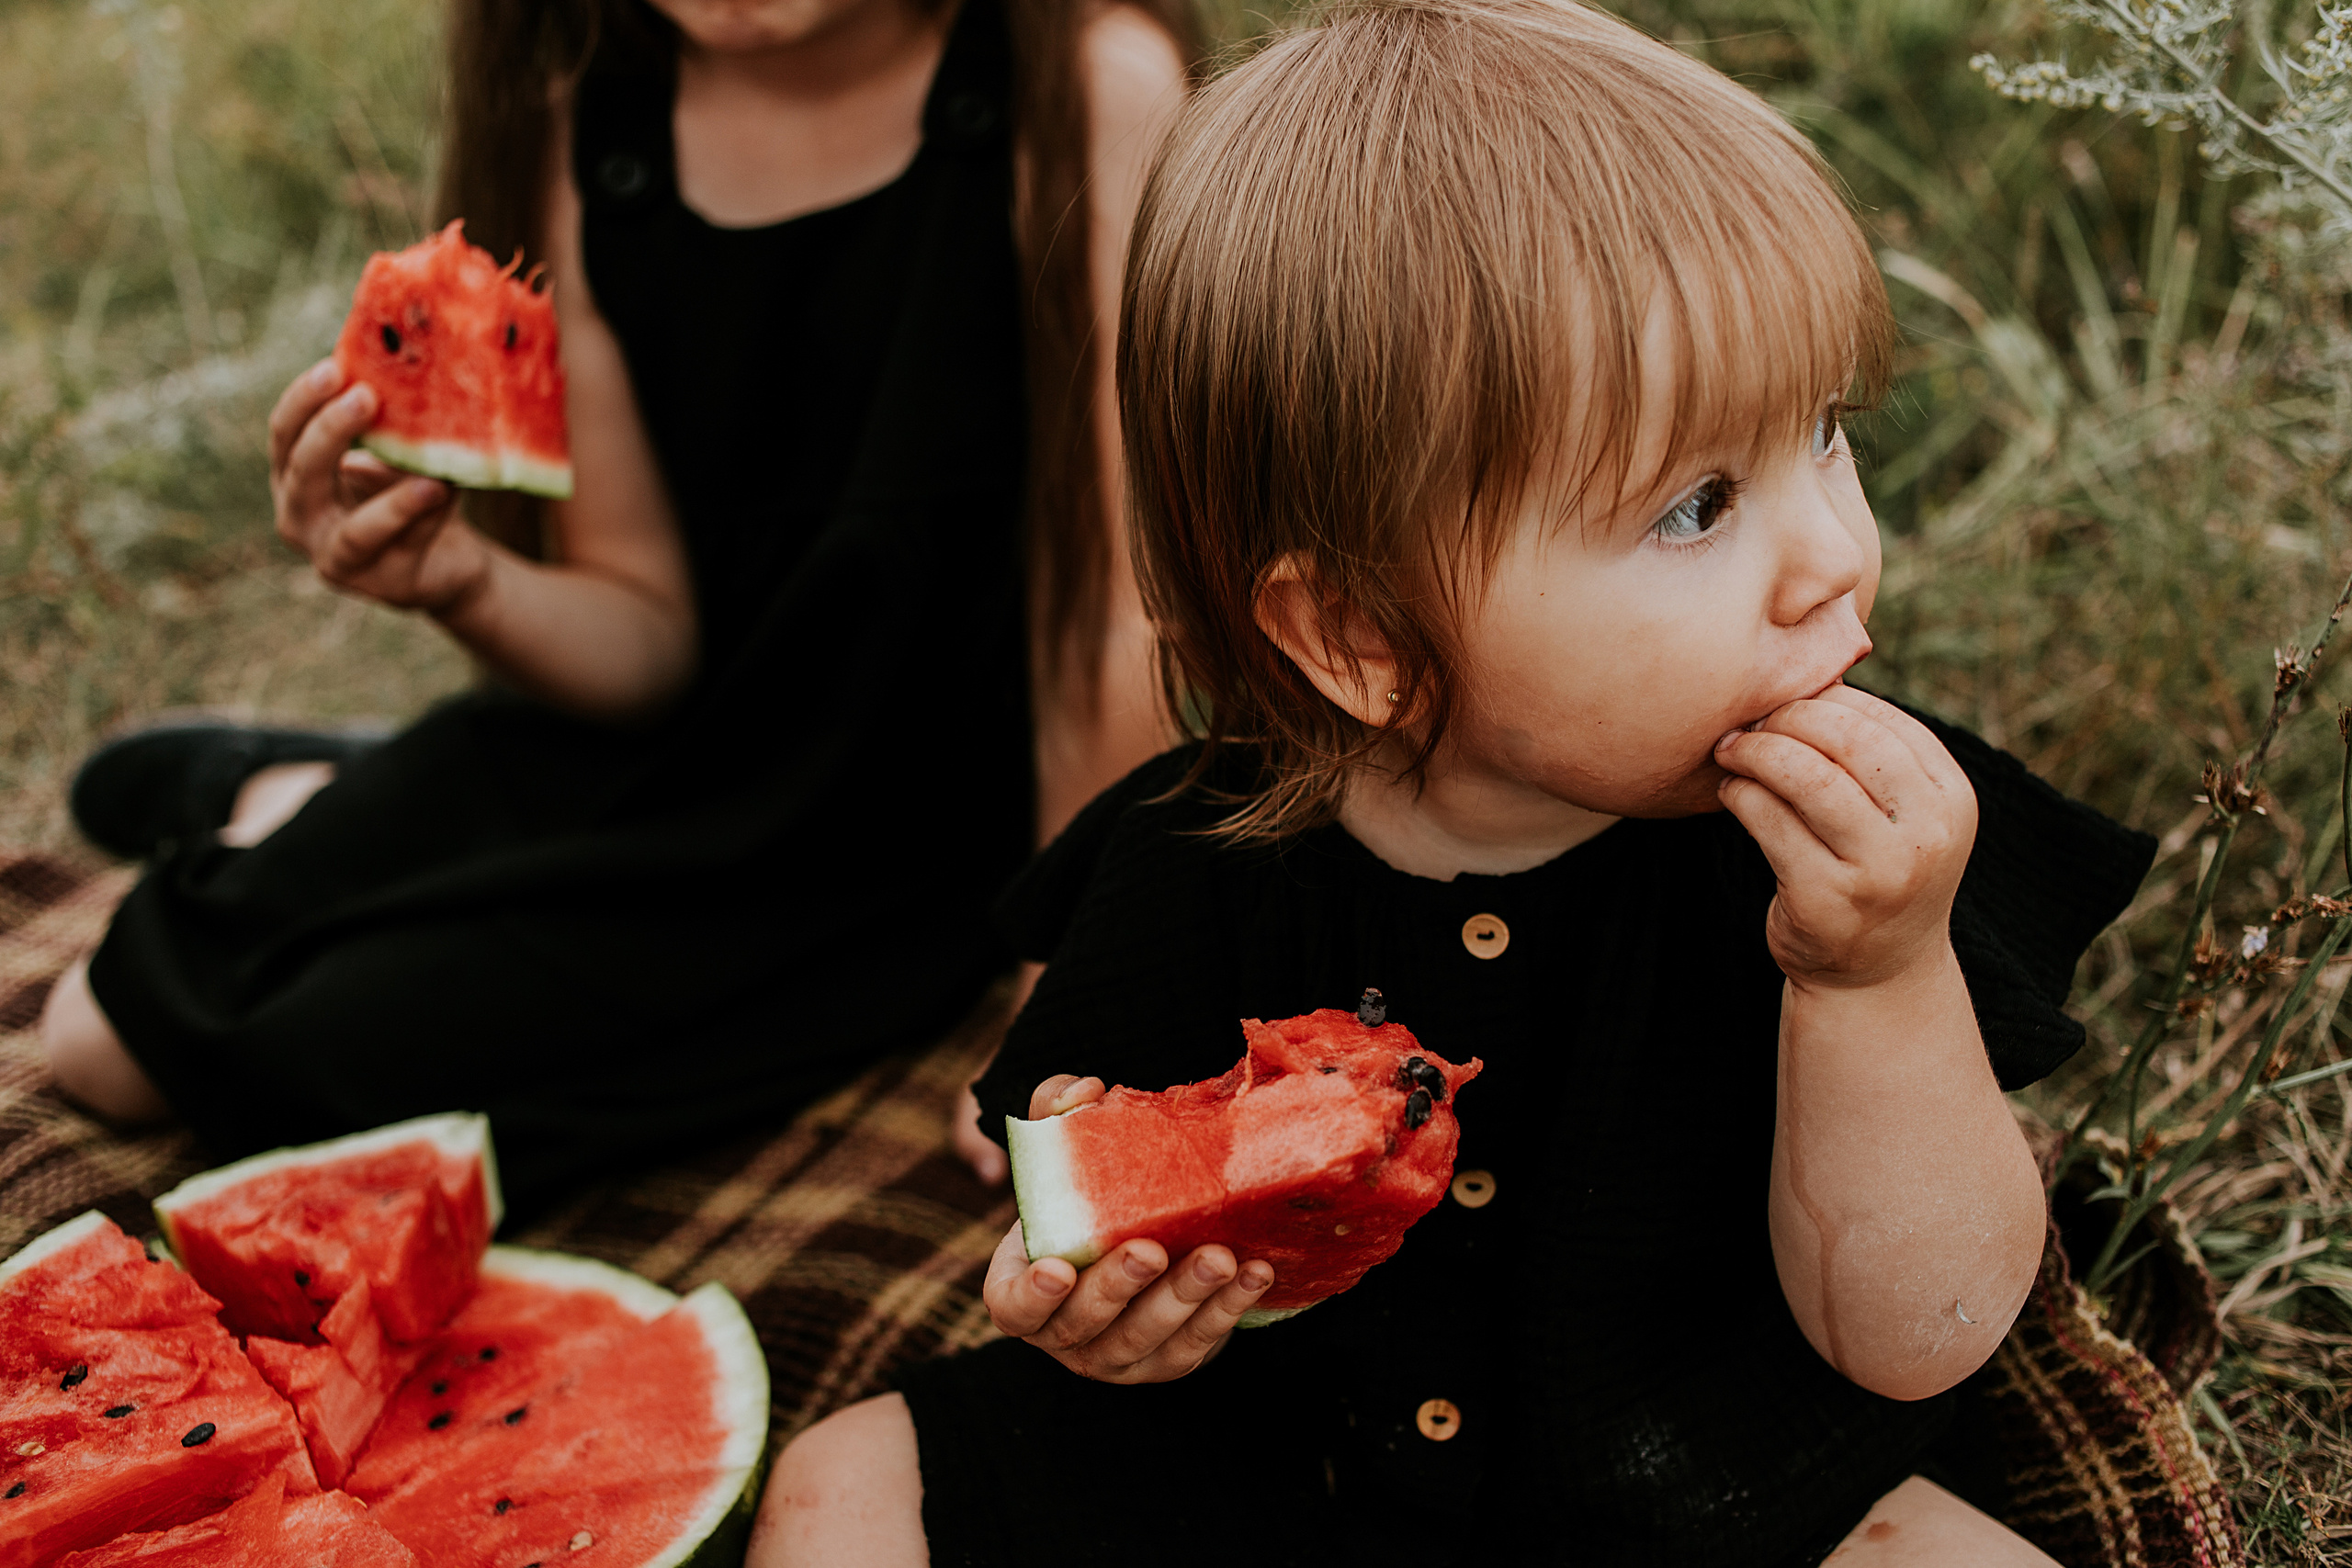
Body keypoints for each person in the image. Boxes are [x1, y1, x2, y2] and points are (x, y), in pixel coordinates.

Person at [749, 2, 2158, 1563]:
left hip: (1688, 1484)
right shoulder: (1187, 865)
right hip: (1275, 1474)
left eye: (1822, 436)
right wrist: (1099, 1316)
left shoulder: (1860, 865)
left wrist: (1879, 978)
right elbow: (1098, 1214)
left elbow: (1924, 1335)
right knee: (843, 1478)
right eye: (1696, 506)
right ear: (1357, 634)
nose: (1833, 554)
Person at [40, 0, 1192, 1213]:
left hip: (902, 839)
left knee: (288, 1069)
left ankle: (292, 794)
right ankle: (297, 792)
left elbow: (1125, 612)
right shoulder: (585, 120)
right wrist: (464, 583)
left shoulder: (1089, 82)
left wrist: (1069, 966)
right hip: (647, 754)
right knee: (98, 1047)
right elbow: (648, 637)